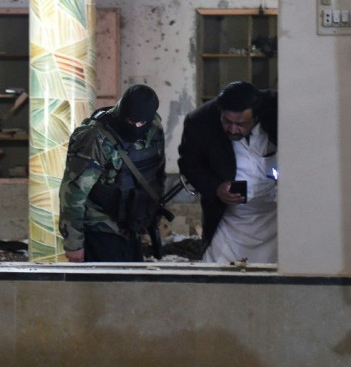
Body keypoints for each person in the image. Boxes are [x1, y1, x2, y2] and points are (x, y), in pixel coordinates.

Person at [59, 84, 165, 263]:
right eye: (131, 121)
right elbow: (73, 193)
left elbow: (155, 173)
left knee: (132, 286)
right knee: (105, 288)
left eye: (141, 123)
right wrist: (74, 244)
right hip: (99, 229)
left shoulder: (153, 126)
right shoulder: (94, 138)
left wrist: (150, 216)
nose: (136, 126)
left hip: (131, 227)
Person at [178, 81, 278, 264]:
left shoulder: (279, 109)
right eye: (227, 121)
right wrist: (216, 188)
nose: (232, 129)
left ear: (255, 117)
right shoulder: (200, 121)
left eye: (241, 124)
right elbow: (189, 164)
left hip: (276, 215)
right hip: (230, 220)